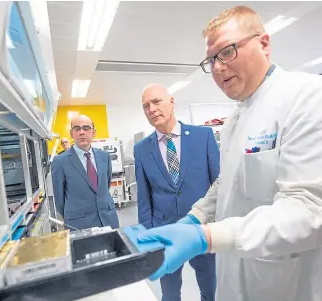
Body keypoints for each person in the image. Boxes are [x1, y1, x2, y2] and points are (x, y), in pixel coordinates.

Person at [137, 5, 322, 301]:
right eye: (211, 60)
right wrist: (195, 218)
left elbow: (309, 212)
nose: (219, 67)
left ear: (264, 44)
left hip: (281, 284)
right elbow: (228, 182)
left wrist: (206, 237)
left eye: (227, 51)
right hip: (234, 279)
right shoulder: (237, 117)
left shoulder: (307, 97)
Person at [134, 83, 220, 301]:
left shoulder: (204, 136)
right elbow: (144, 198)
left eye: (156, 102)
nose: (151, 109)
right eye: (146, 106)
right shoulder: (142, 149)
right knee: (170, 294)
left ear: (171, 102)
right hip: (165, 232)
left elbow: (219, 184)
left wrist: (217, 226)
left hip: (202, 229)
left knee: (210, 291)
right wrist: (148, 238)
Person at [51, 114, 119, 230]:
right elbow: (59, 200)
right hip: (79, 225)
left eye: (86, 128)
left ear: (94, 132)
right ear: (71, 133)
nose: (82, 132)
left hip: (108, 219)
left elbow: (105, 186)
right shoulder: (60, 161)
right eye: (77, 128)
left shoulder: (104, 156)